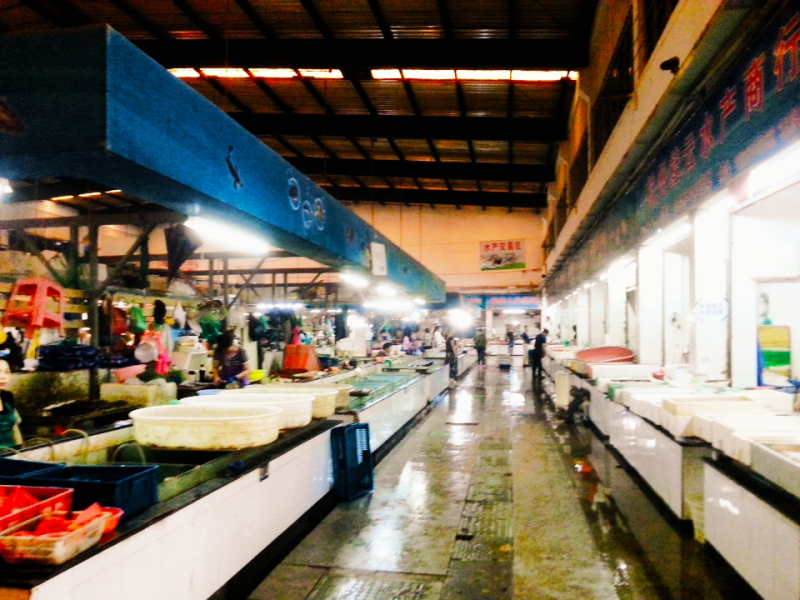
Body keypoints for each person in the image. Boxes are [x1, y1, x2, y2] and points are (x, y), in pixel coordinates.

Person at [0, 359, 23, 447]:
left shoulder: (8, 397)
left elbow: (15, 429)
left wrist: (21, 450)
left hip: (12, 451)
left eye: (7, 372)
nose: (3, 377)